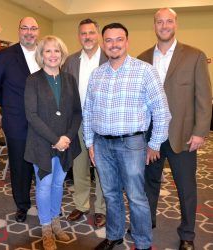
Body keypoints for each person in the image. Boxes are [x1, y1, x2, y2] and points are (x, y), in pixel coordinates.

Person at [83, 23, 171, 250]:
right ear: (103, 45)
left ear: (127, 42)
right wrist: (90, 143)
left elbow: (162, 111)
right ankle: (114, 236)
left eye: (119, 39)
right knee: (111, 194)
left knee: (136, 196)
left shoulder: (144, 71)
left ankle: (143, 243)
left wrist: (154, 144)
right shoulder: (97, 74)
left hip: (133, 143)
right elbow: (88, 111)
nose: (114, 44)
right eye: (109, 40)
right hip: (102, 144)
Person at [138, 8, 212, 250]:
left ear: (175, 24)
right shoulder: (142, 58)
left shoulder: (195, 55)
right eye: (159, 21)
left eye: (168, 21)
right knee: (149, 183)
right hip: (151, 137)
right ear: (154, 25)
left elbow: (203, 97)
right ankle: (145, 223)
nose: (164, 25)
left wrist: (201, 131)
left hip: (183, 136)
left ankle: (187, 234)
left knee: (186, 187)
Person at [24, 35, 82, 250]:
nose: (52, 55)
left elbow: (77, 112)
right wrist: (55, 139)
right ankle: (46, 227)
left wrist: (66, 137)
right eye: (47, 51)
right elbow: (31, 115)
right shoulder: (33, 80)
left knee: (58, 184)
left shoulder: (69, 80)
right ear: (41, 55)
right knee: (44, 184)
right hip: (42, 143)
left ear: (62, 54)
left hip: (65, 143)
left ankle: (56, 221)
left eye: (56, 51)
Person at [0, 17, 40, 222]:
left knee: (45, 165)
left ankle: (46, 202)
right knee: (20, 166)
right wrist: (9, 104)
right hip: (17, 122)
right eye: (25, 28)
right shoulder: (5, 56)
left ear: (38, 31)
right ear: (18, 30)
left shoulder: (46, 53)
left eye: (33, 28)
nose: (29, 32)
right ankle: (22, 205)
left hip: (44, 124)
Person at [62, 18, 107, 228]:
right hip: (77, 121)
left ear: (97, 34)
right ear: (78, 36)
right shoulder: (70, 61)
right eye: (83, 33)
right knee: (79, 165)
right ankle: (81, 204)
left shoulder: (110, 57)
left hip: (103, 121)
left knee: (102, 166)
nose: (87, 37)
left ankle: (101, 208)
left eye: (91, 33)